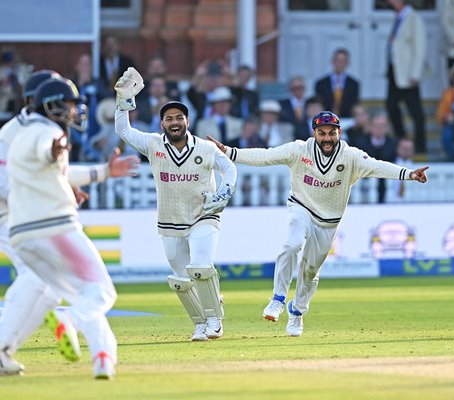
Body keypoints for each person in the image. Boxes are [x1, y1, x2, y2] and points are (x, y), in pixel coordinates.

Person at [206, 110, 428, 337]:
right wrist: (229, 152)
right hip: (301, 208)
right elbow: (266, 156)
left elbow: (378, 166)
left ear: (339, 132)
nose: (327, 138)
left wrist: (409, 174)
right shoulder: (299, 150)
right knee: (291, 245)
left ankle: (297, 311)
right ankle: (278, 299)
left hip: (328, 222)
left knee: (310, 271)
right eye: (322, 133)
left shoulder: (351, 156)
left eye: (332, 133)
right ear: (314, 134)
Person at [0, 71, 139, 377]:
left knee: (52, 289)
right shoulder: (31, 132)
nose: (75, 111)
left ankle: (103, 357)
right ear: (45, 103)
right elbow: (38, 157)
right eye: (69, 103)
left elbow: (47, 167)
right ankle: (67, 322)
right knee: (93, 291)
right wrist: (53, 180)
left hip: (25, 223)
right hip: (27, 219)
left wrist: (71, 178)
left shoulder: (33, 130)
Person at [113, 67, 237, 342]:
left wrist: (225, 191)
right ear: (162, 124)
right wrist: (123, 100)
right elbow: (123, 129)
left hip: (204, 215)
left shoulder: (205, 148)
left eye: (179, 117)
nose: (175, 122)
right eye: (169, 118)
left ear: (187, 121)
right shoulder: (154, 145)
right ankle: (200, 322)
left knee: (201, 266)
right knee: (182, 280)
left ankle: (215, 319)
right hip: (170, 221)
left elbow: (229, 168)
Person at [385, 0, 427, 154]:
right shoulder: (398, 18)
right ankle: (401, 140)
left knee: (415, 111)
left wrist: (415, 73)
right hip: (395, 71)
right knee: (391, 106)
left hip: (407, 73)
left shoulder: (414, 19)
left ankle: (420, 146)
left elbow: (419, 47)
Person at [314, 48, 360, 118]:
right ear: (332, 61)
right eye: (338, 60)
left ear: (347, 63)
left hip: (347, 119)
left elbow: (354, 105)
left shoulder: (354, 84)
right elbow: (318, 105)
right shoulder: (321, 84)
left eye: (343, 61)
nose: (340, 64)